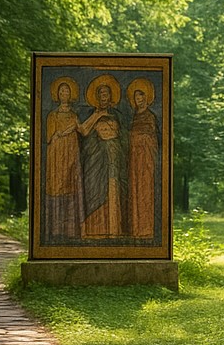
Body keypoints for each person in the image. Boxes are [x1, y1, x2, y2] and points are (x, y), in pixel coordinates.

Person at [79, 76, 125, 238]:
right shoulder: (92, 114)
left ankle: (113, 230)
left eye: (106, 94)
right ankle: (95, 231)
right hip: (95, 159)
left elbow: (122, 136)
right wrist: (97, 116)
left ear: (111, 96)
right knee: (94, 190)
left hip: (112, 158)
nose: (103, 97)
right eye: (100, 94)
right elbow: (84, 131)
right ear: (96, 98)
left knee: (112, 189)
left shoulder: (117, 114)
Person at [43, 77, 83, 241]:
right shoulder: (52, 115)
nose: (64, 93)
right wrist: (66, 131)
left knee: (70, 186)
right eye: (61, 91)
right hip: (57, 154)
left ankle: (70, 231)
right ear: (57, 94)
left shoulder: (74, 115)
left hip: (71, 153)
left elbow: (82, 130)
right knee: (56, 186)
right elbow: (51, 137)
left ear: (71, 94)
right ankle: (55, 230)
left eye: (67, 90)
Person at [126, 79, 159, 239]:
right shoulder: (134, 117)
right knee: (134, 191)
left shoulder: (150, 116)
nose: (139, 101)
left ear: (146, 98)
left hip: (145, 160)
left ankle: (146, 230)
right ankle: (135, 229)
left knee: (145, 191)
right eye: (136, 98)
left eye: (141, 97)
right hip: (134, 160)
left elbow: (152, 139)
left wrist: (137, 138)